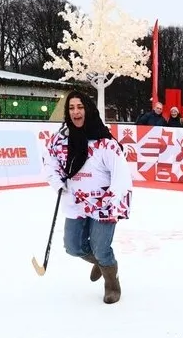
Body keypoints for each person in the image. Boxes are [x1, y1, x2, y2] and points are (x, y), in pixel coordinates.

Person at [44, 91, 132, 304]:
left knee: (102, 248)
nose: (76, 111)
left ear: (89, 109)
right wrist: (58, 183)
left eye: (80, 107)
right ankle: (102, 262)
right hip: (76, 201)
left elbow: (121, 175)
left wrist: (110, 199)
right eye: (72, 107)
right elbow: (51, 162)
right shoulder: (61, 139)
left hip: (104, 202)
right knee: (73, 246)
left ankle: (112, 283)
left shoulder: (105, 142)